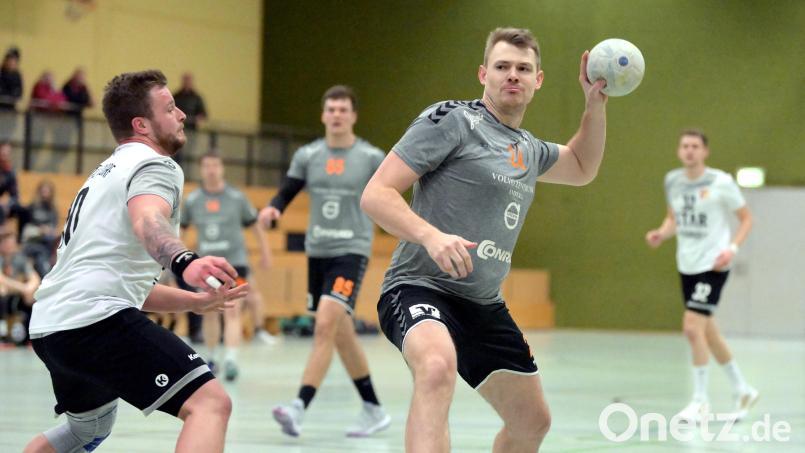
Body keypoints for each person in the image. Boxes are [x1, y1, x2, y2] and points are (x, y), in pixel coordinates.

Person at [360, 27, 608, 452]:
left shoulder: (529, 149)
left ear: (538, 80)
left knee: (532, 422)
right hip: (420, 287)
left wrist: (595, 105)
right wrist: (431, 236)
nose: (512, 75)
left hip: (482, 304)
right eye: (502, 67)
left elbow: (583, 166)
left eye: (523, 68)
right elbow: (376, 194)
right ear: (483, 74)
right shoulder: (452, 120)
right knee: (437, 368)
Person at [23, 70, 248, 453]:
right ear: (141, 124)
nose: (182, 115)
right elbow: (148, 221)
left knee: (85, 430)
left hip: (51, 326)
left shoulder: (103, 174)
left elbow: (119, 285)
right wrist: (185, 261)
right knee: (210, 405)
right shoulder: (155, 166)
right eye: (170, 107)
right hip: (93, 321)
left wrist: (194, 302)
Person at [259, 85, 390, 438]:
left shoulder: (371, 157)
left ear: (353, 116)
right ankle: (373, 408)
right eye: (330, 109)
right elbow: (288, 190)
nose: (336, 115)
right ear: (323, 115)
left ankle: (298, 407)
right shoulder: (309, 155)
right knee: (341, 332)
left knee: (324, 325)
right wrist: (274, 207)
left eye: (343, 109)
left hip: (351, 250)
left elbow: (390, 192)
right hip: (317, 252)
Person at [645, 129, 757, 422]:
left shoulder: (721, 182)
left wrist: (732, 249)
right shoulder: (673, 181)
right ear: (679, 150)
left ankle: (700, 401)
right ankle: (742, 388)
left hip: (714, 263)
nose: (689, 151)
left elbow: (746, 219)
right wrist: (661, 233)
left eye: (695, 146)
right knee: (708, 331)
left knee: (692, 328)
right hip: (688, 264)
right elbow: (673, 218)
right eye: (685, 146)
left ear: (705, 151)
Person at [181, 151, 273, 381]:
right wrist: (179, 261)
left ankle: (231, 358)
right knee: (211, 311)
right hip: (207, 266)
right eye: (207, 166)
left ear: (222, 168)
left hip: (235, 264)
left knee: (233, 310)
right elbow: (181, 230)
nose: (211, 170)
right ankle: (211, 357)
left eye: (215, 165)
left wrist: (265, 252)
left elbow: (254, 226)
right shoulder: (193, 200)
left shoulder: (236, 197)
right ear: (202, 170)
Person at [0, 231, 40, 345]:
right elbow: (1, 279)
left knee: (31, 298)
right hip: (4, 294)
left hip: (16, 294)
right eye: (7, 243)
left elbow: (34, 278)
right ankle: (5, 334)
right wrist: (23, 288)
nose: (10, 246)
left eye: (12, 243)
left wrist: (28, 288)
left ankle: (28, 336)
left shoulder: (20, 259)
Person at [172, 72, 207, 165]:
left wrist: (199, 119)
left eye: (189, 80)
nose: (187, 82)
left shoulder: (197, 97)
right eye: (185, 80)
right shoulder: (176, 96)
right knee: (177, 153)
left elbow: (203, 114)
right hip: (177, 129)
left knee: (189, 155)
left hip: (191, 131)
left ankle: (187, 176)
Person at [0, 47, 23, 142]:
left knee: (6, 138)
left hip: (10, 110)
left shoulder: (17, 75)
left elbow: (19, 92)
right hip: (1, 108)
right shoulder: (1, 74)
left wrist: (12, 95)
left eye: (14, 61)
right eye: (10, 61)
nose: (11, 63)